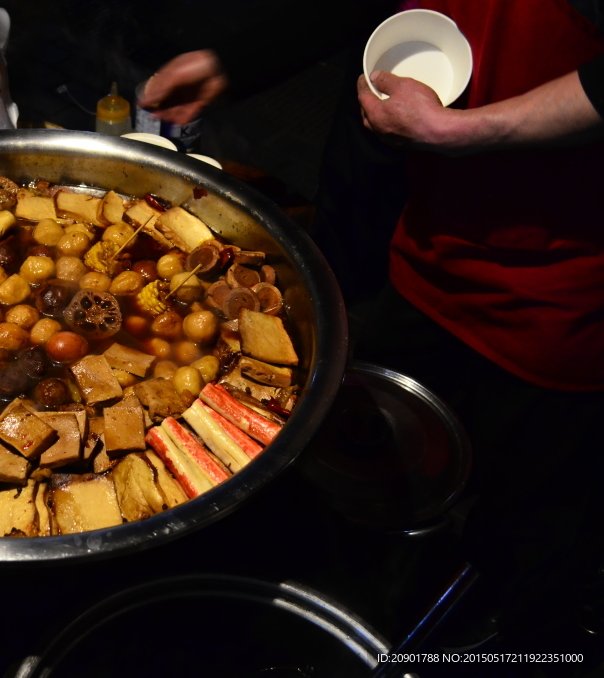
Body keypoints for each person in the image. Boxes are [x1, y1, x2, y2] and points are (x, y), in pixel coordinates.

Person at [143, 0, 604, 650]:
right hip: (427, 240)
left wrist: (458, 134)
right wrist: (239, 62)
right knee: (366, 476)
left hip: (565, 292)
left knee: (523, 533)